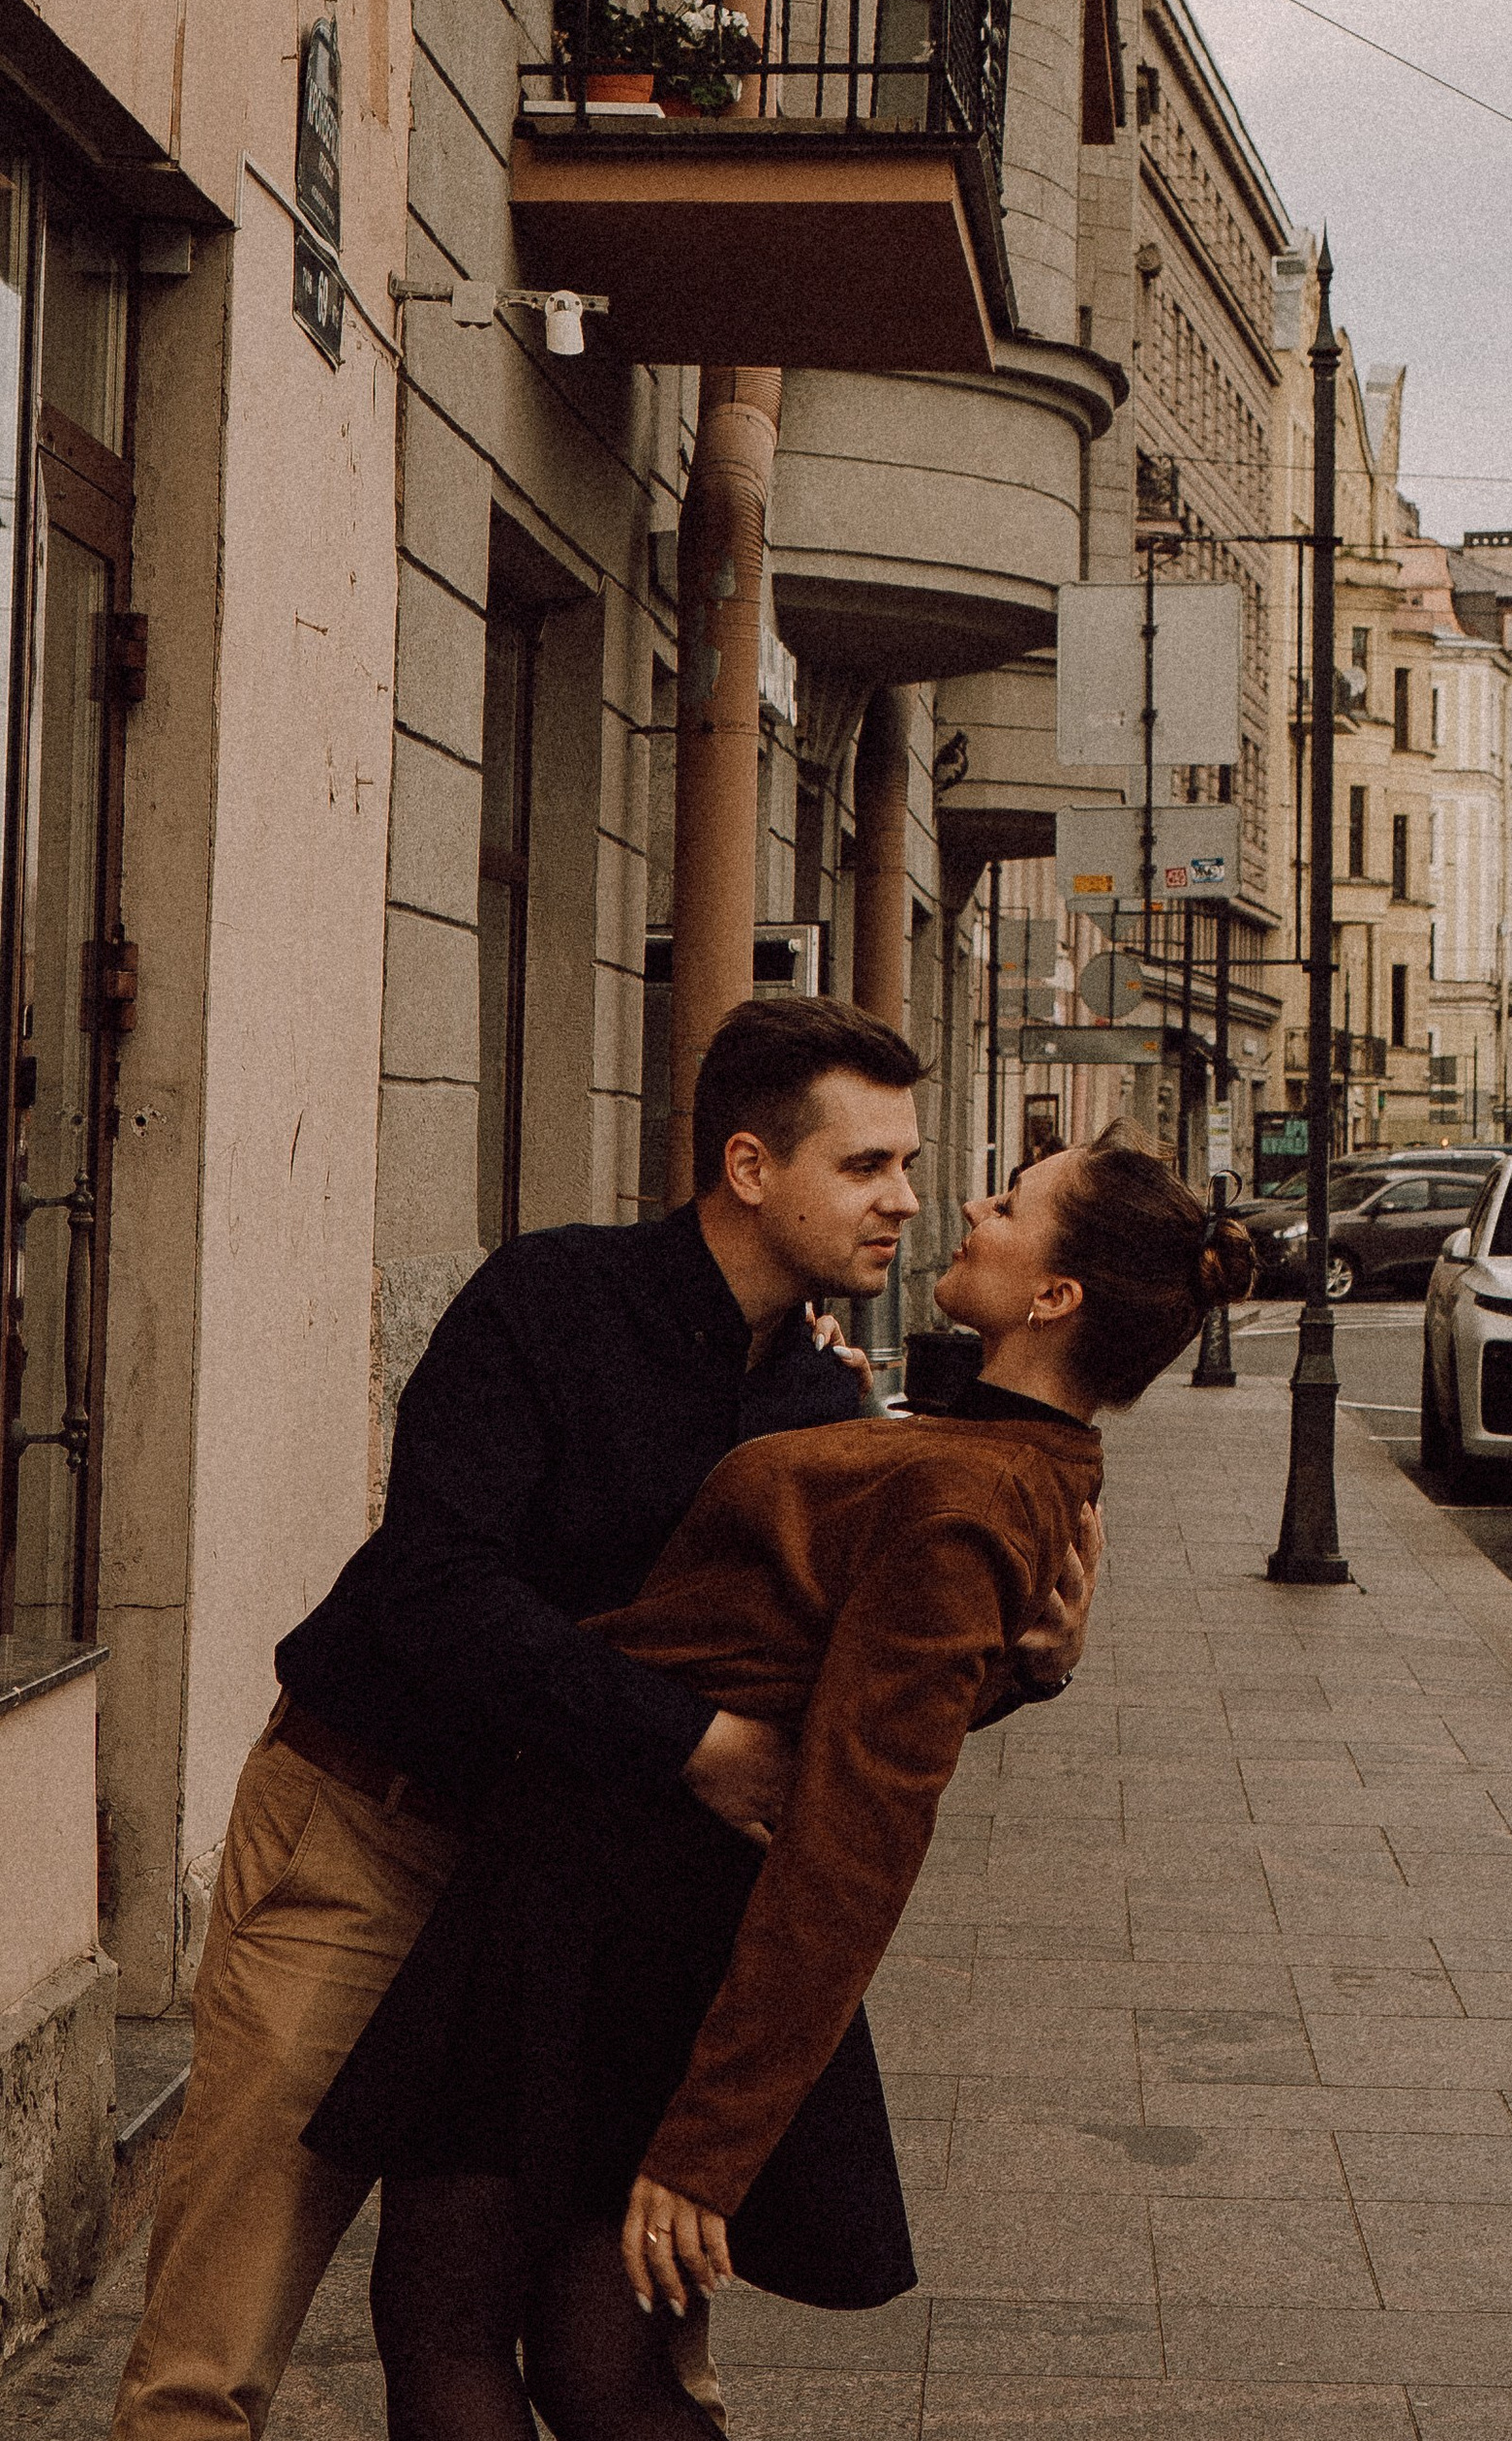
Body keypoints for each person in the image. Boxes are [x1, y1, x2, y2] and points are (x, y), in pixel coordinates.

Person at [111, 998, 1098, 2441]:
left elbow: (836, 1697)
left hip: (578, 1899)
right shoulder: (550, 1299)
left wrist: (1025, 1667)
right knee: (221, 2330)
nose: (906, 1198)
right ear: (750, 1167)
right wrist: (690, 1743)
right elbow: (436, 1587)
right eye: (866, 1165)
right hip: (375, 1832)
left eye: (908, 1162)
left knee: (630, 2348)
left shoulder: (819, 1396)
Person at [304, 1137, 1255, 2441]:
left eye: (1012, 1203)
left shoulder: (969, 1498)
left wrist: (711, 2149)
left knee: (454, 2330)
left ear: (1055, 1296)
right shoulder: (995, 1461)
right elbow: (847, 1687)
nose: (967, 1205)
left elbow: (860, 1838)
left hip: (613, 1902)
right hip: (613, 1890)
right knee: (588, 2364)